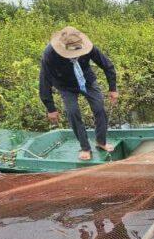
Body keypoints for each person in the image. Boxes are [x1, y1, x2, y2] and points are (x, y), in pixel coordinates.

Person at [39, 26, 119, 161]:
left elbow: (107, 65)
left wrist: (113, 88)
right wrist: (50, 108)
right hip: (65, 85)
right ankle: (85, 147)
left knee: (99, 108)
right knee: (73, 112)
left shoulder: (88, 47)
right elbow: (44, 80)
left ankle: (101, 141)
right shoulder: (50, 54)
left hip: (87, 80)